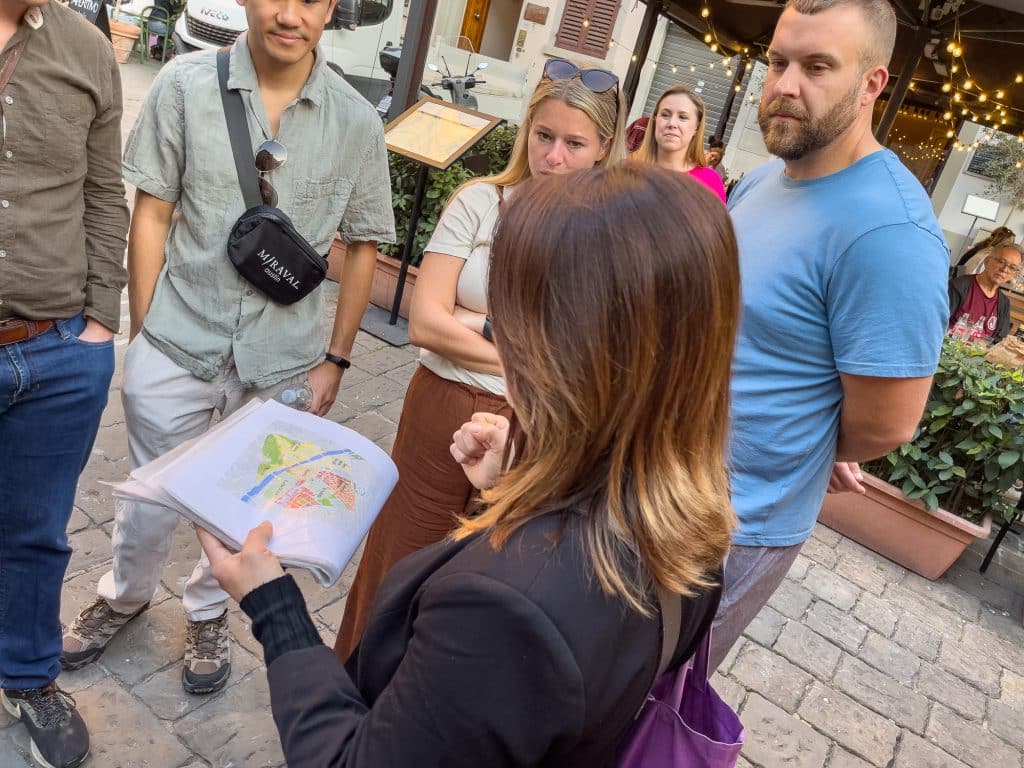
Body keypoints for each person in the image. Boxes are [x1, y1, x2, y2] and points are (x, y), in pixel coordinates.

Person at [196, 164, 739, 767]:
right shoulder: (694, 523)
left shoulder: (503, 609)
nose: (500, 341)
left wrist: (273, 605)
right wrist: (524, 483)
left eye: (512, 317)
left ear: (566, 352)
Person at [61, 0, 395, 695]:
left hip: (284, 358)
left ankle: (208, 609)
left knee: (245, 505)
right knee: (149, 494)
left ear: (331, 9)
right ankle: (125, 594)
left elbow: (364, 245)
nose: (290, 14)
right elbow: (153, 210)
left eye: (312, 0)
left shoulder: (356, 121)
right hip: (180, 334)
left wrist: (336, 360)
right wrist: (144, 333)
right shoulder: (184, 86)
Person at [333, 57, 628, 660]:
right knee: (396, 566)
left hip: (538, 429)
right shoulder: (481, 202)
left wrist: (470, 321)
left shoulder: (609, 236)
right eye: (543, 135)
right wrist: (529, 355)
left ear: (603, 148)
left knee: (482, 588)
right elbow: (425, 321)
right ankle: (351, 691)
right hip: (444, 408)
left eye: (574, 144)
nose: (553, 156)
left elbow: (589, 352)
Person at [711, 0, 949, 669]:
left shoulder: (891, 232)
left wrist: (805, 444)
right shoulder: (760, 181)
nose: (785, 85)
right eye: (778, 62)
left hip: (733, 524)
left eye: (817, 67)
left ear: (872, 83)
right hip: (654, 481)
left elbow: (886, 424)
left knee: (639, 705)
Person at [0, 0, 130, 765]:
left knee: (36, 533)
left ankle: (26, 675)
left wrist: (101, 322)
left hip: (56, 353)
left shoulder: (87, 50)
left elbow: (104, 193)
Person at [632, 83, 727, 203]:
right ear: (655, 120)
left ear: (697, 127)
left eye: (682, 117)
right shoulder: (627, 171)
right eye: (665, 115)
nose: (672, 123)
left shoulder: (710, 182)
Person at [948, 243, 1021, 343]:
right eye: (1001, 262)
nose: (1004, 270)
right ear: (987, 261)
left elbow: (998, 340)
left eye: (1012, 267)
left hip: (979, 352)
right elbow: (936, 324)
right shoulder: (959, 287)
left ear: (1014, 274)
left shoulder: (1004, 303)